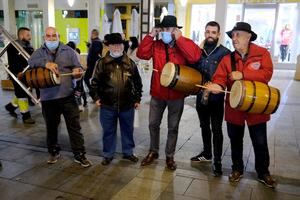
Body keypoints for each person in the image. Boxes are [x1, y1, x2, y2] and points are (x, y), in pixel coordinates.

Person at [207, 22, 277, 188]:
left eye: (238, 34)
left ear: (248, 37)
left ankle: (263, 172)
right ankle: (237, 168)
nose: (234, 38)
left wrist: (244, 74)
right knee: (235, 140)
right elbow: (220, 78)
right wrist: (217, 86)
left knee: (260, 141)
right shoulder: (227, 59)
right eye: (232, 35)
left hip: (256, 106)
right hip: (235, 107)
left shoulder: (262, 54)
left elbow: (267, 74)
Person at [137, 15, 201, 170]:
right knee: (153, 124)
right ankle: (153, 151)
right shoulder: (156, 45)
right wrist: (151, 35)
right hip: (158, 93)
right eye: (163, 29)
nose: (165, 32)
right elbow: (142, 54)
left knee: (173, 127)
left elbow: (195, 57)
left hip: (176, 95)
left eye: (169, 29)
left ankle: (170, 156)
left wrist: (180, 39)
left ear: (175, 30)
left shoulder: (184, 44)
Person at [27, 27, 92, 168]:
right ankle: (53, 152)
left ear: (59, 36)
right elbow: (30, 63)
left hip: (67, 96)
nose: (51, 39)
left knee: (74, 127)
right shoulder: (38, 53)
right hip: (48, 98)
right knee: (51, 127)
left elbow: (78, 69)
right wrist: (45, 64)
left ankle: (79, 154)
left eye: (54, 36)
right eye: (48, 36)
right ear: (44, 37)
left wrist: (77, 72)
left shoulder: (69, 51)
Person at [90, 33, 143, 165]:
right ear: (109, 46)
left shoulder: (130, 63)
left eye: (119, 44)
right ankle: (108, 154)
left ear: (123, 45)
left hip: (127, 105)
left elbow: (138, 83)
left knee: (128, 130)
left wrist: (137, 99)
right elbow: (94, 82)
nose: (117, 47)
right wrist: (96, 97)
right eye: (113, 45)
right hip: (107, 105)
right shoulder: (101, 63)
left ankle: (128, 152)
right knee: (108, 131)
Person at [190, 21, 230, 177]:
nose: (210, 35)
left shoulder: (225, 53)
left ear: (218, 35)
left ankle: (218, 161)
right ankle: (207, 154)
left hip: (216, 98)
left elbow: (227, 76)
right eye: (208, 32)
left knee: (217, 129)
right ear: (204, 33)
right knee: (204, 126)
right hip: (201, 97)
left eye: (214, 32)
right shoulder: (198, 52)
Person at [5, 27, 35, 124]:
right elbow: (13, 62)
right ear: (21, 35)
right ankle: (26, 116)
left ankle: (10, 107)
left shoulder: (28, 46)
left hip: (27, 73)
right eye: (28, 35)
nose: (30, 37)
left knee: (23, 92)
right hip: (17, 73)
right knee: (22, 93)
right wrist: (18, 72)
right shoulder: (13, 46)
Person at [66, 41, 87, 110]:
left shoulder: (70, 55)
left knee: (76, 91)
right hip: (79, 77)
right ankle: (83, 102)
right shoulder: (77, 54)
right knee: (79, 90)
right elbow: (84, 66)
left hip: (74, 77)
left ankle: (79, 105)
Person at [84, 29, 103, 98]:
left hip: (93, 65)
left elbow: (95, 53)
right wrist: (89, 45)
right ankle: (94, 93)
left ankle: (93, 93)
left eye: (91, 34)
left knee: (86, 78)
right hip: (93, 64)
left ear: (93, 34)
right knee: (92, 79)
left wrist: (89, 64)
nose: (90, 35)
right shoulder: (96, 42)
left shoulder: (96, 42)